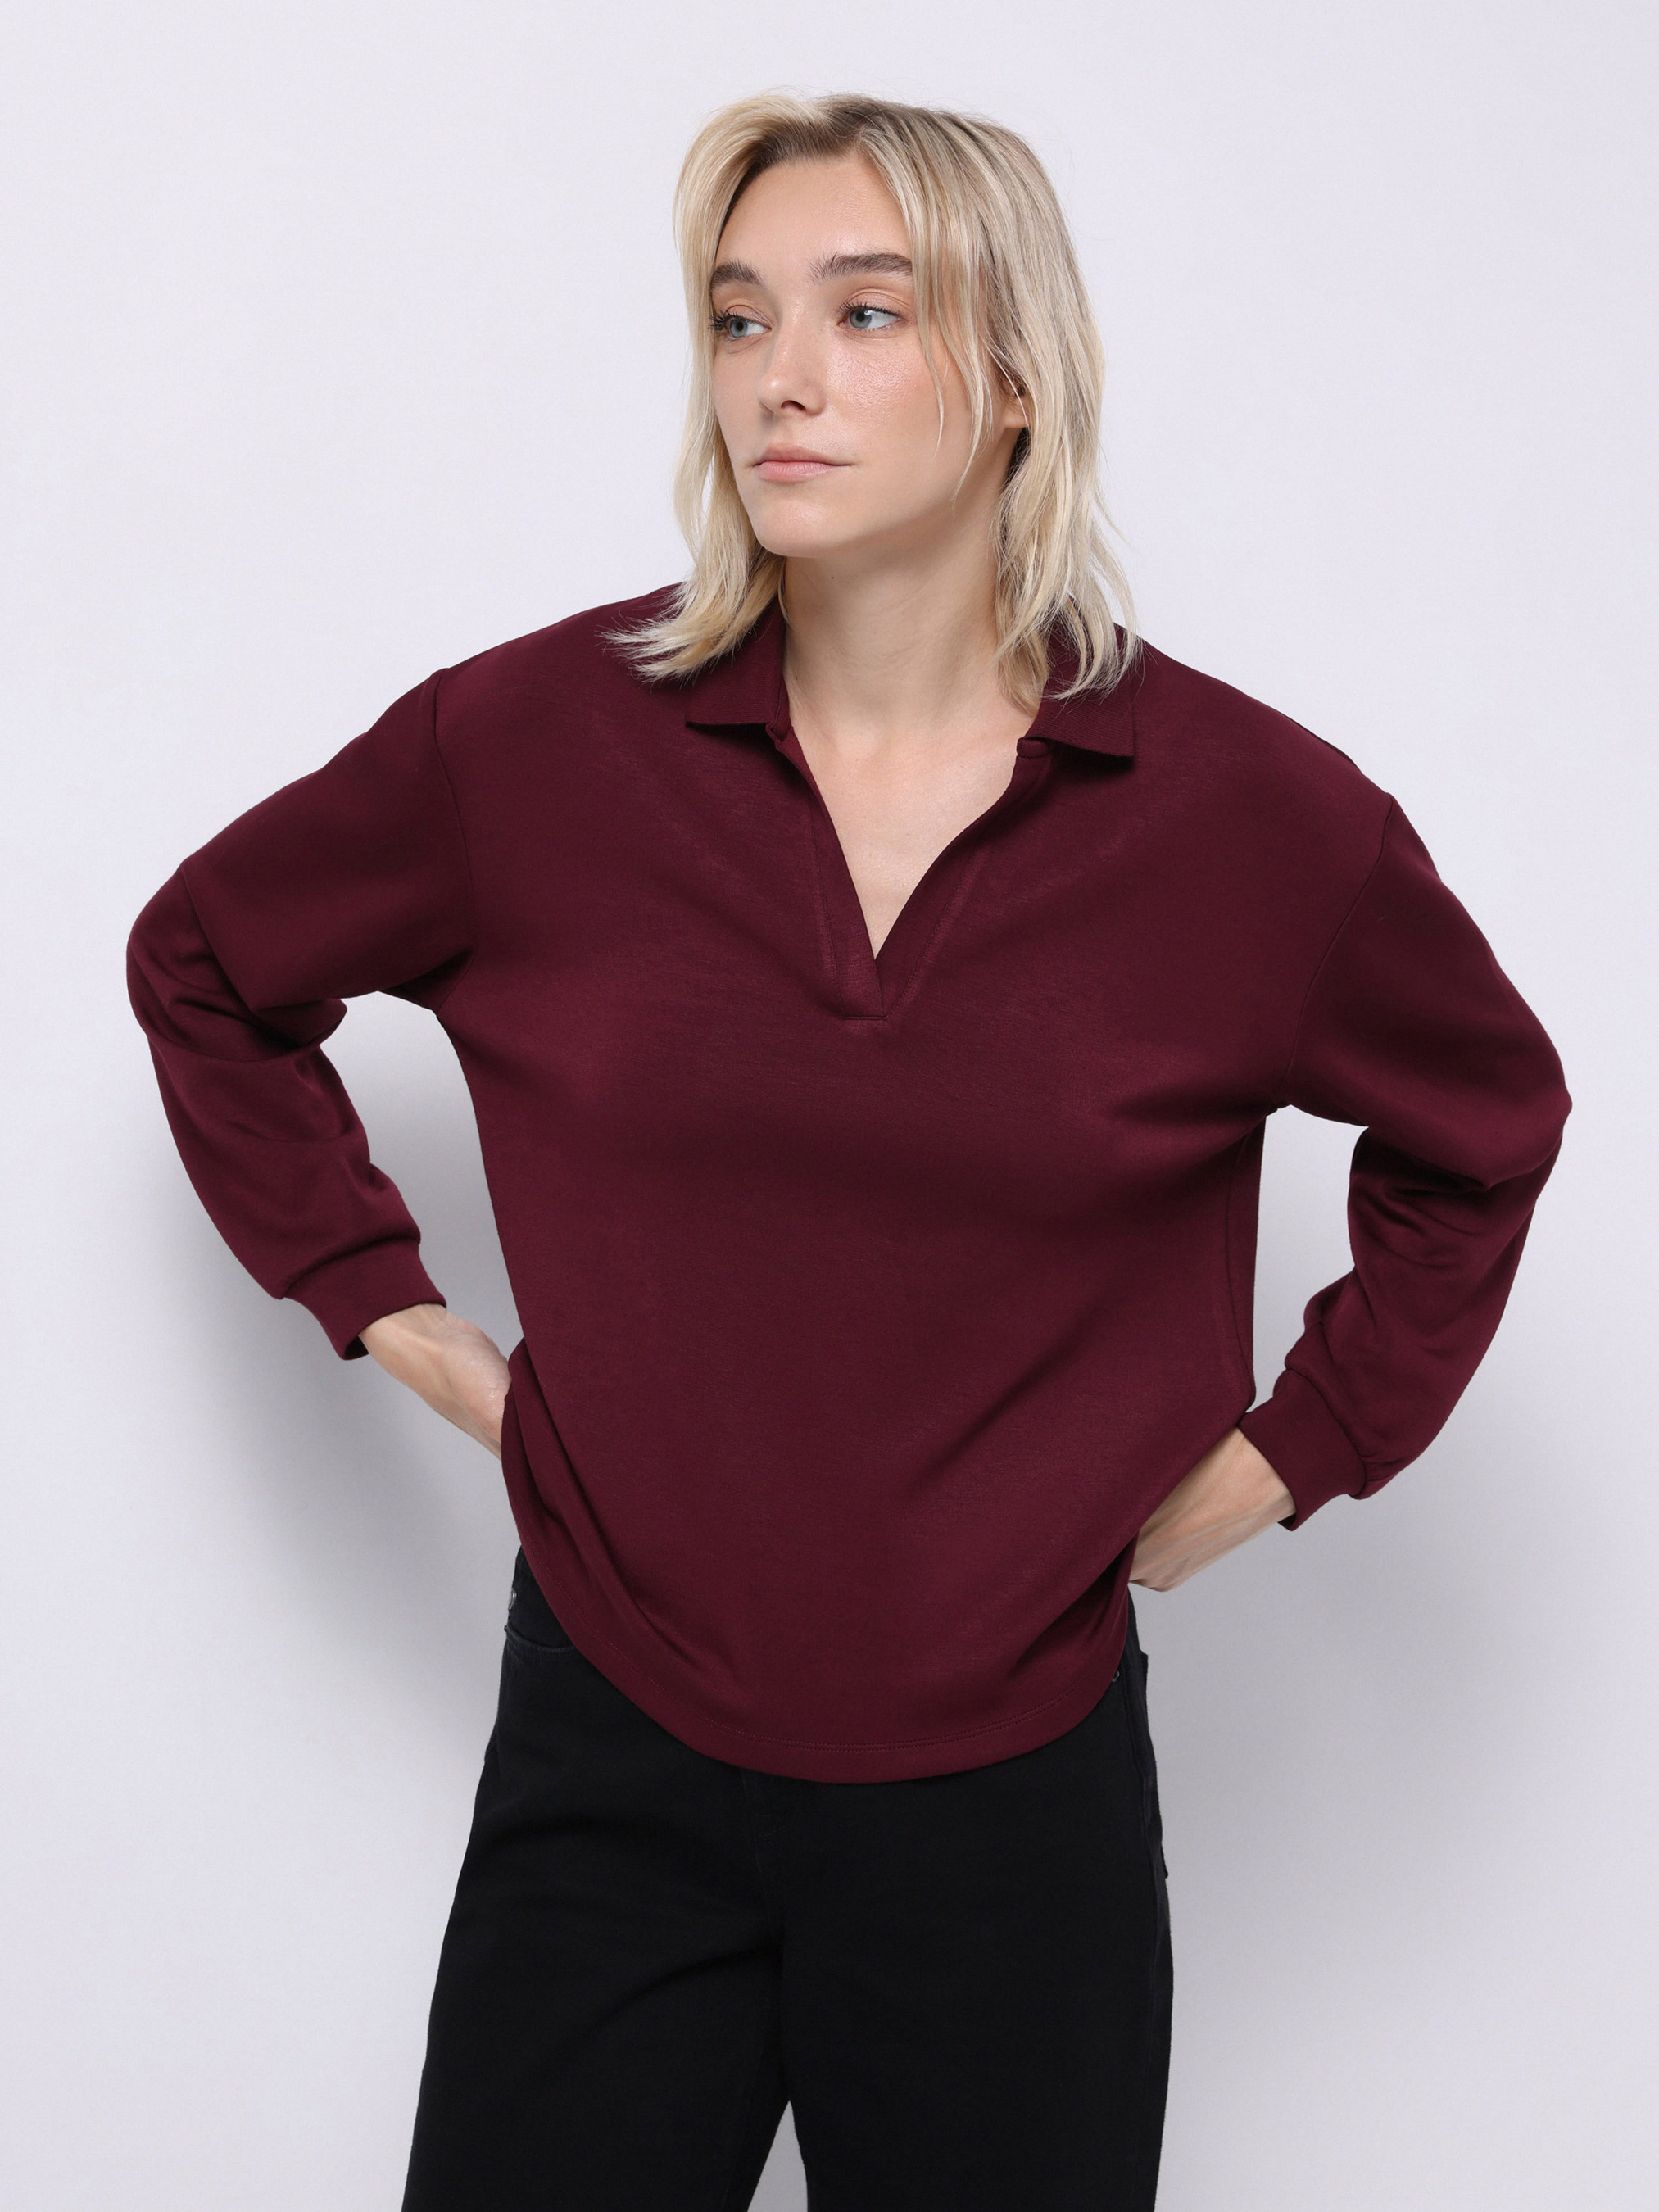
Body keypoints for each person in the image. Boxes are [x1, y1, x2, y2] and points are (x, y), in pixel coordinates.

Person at [125, 88, 1571, 2212]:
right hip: (612, 1748)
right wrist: (395, 1318)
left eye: (862, 312)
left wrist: (1293, 1450)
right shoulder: (529, 750)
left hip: (1016, 1804)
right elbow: (205, 964)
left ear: (1015, 375)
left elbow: (1486, 1126)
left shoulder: (1259, 825)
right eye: (738, 317)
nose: (776, 379)